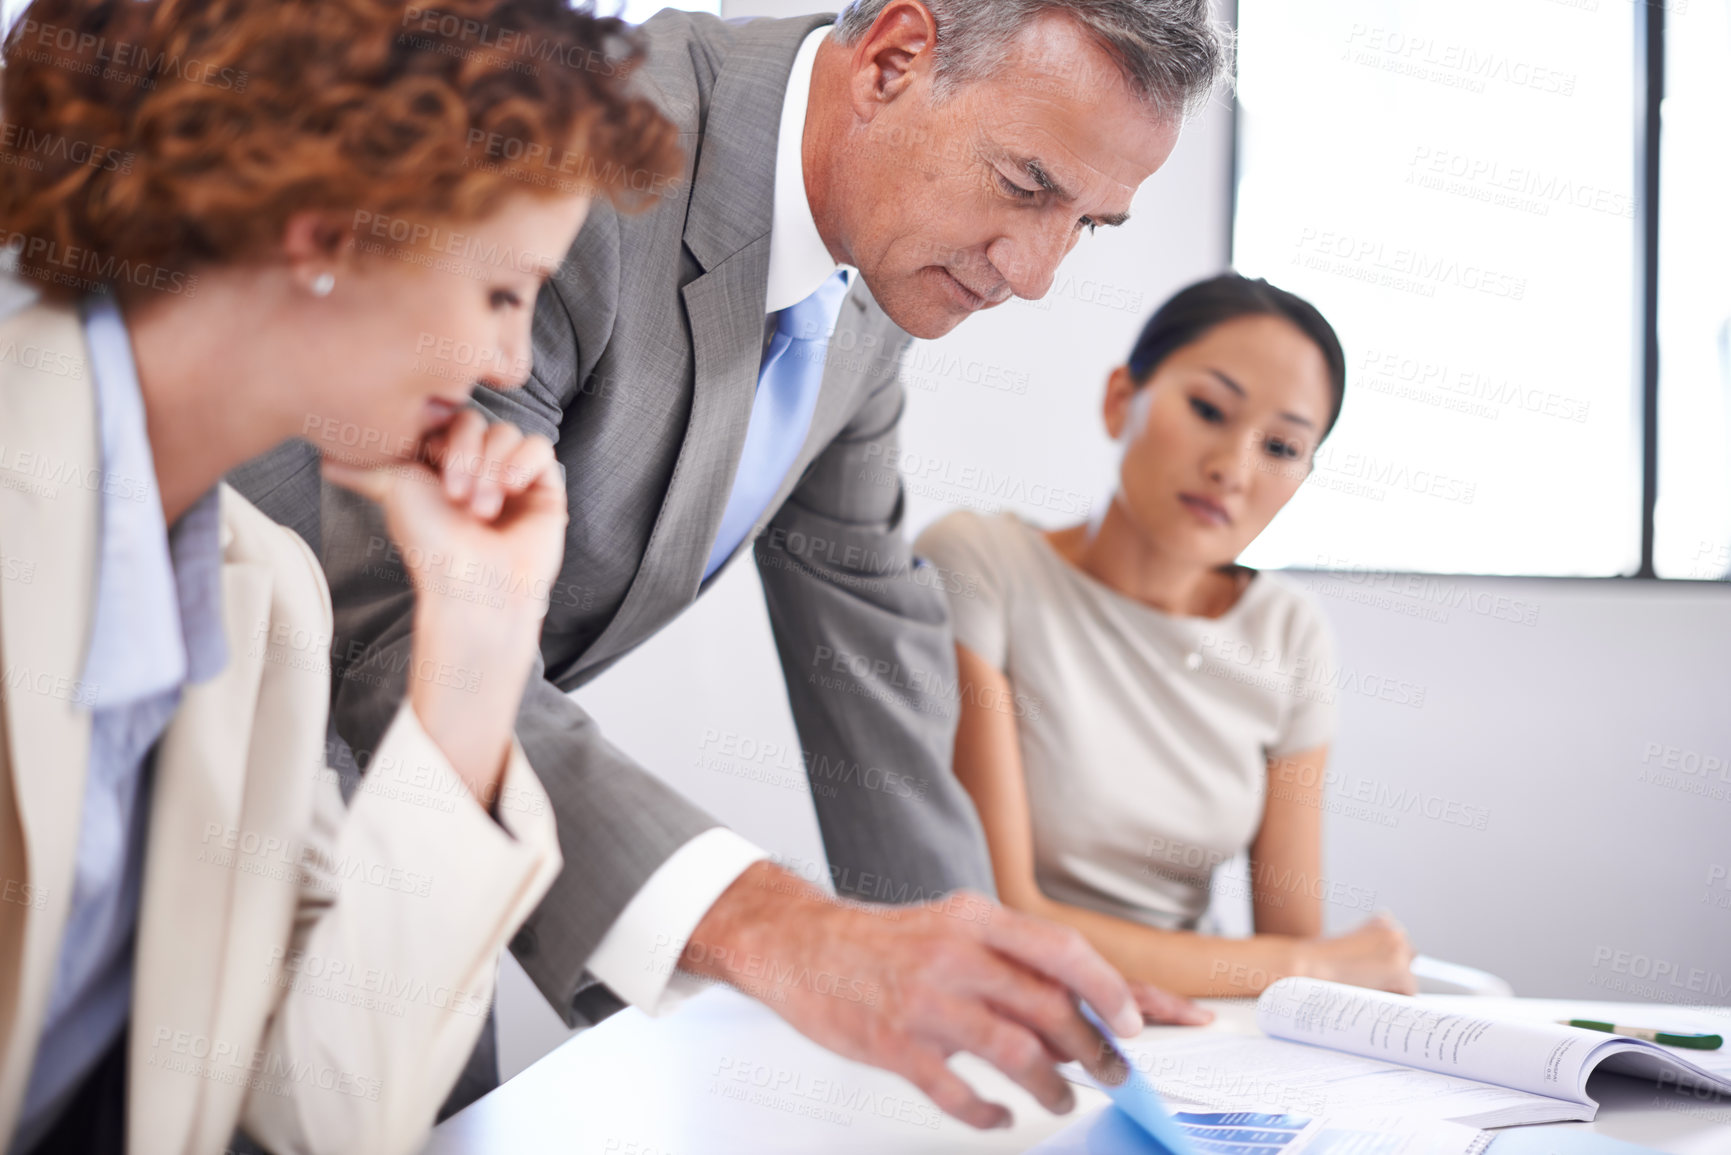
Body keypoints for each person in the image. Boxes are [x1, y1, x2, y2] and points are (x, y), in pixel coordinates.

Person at [233, 0, 1225, 1129]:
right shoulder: (574, 152)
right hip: (237, 775)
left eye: (1088, 224)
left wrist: (999, 973)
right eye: (1029, 185)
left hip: (436, 778)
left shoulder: (886, 237)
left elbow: (860, 606)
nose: (1038, 272)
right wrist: (785, 933)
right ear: (896, 59)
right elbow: (395, 618)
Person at [0, 0, 680, 1148]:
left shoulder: (262, 601)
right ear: (325, 233)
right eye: (503, 292)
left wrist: (476, 649)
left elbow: (313, 1113)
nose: (509, 362)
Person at [917, 274, 1420, 999]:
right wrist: (1300, 968)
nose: (1231, 469)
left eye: (1280, 446)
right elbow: (1003, 913)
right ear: (1120, 398)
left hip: (1202, 1028)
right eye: (1208, 409)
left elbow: (1296, 943)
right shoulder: (981, 564)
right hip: (1007, 1005)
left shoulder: (1289, 630)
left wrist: (1298, 967)